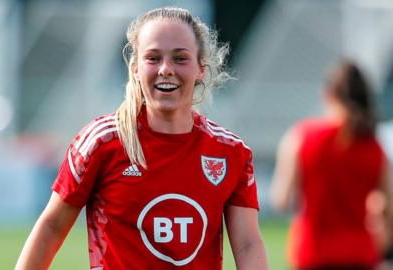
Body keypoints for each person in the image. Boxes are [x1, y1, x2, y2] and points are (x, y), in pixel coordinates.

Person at [15, 6, 268, 270]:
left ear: (201, 68)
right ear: (135, 68)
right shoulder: (102, 141)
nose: (166, 69)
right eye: (153, 58)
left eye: (180, 58)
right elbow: (51, 227)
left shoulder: (230, 151)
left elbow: (247, 243)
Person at [270, 59, 393, 270]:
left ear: (329, 95)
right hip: (359, 254)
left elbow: (281, 200)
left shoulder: (301, 137)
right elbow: (389, 208)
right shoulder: (375, 148)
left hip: (313, 253)